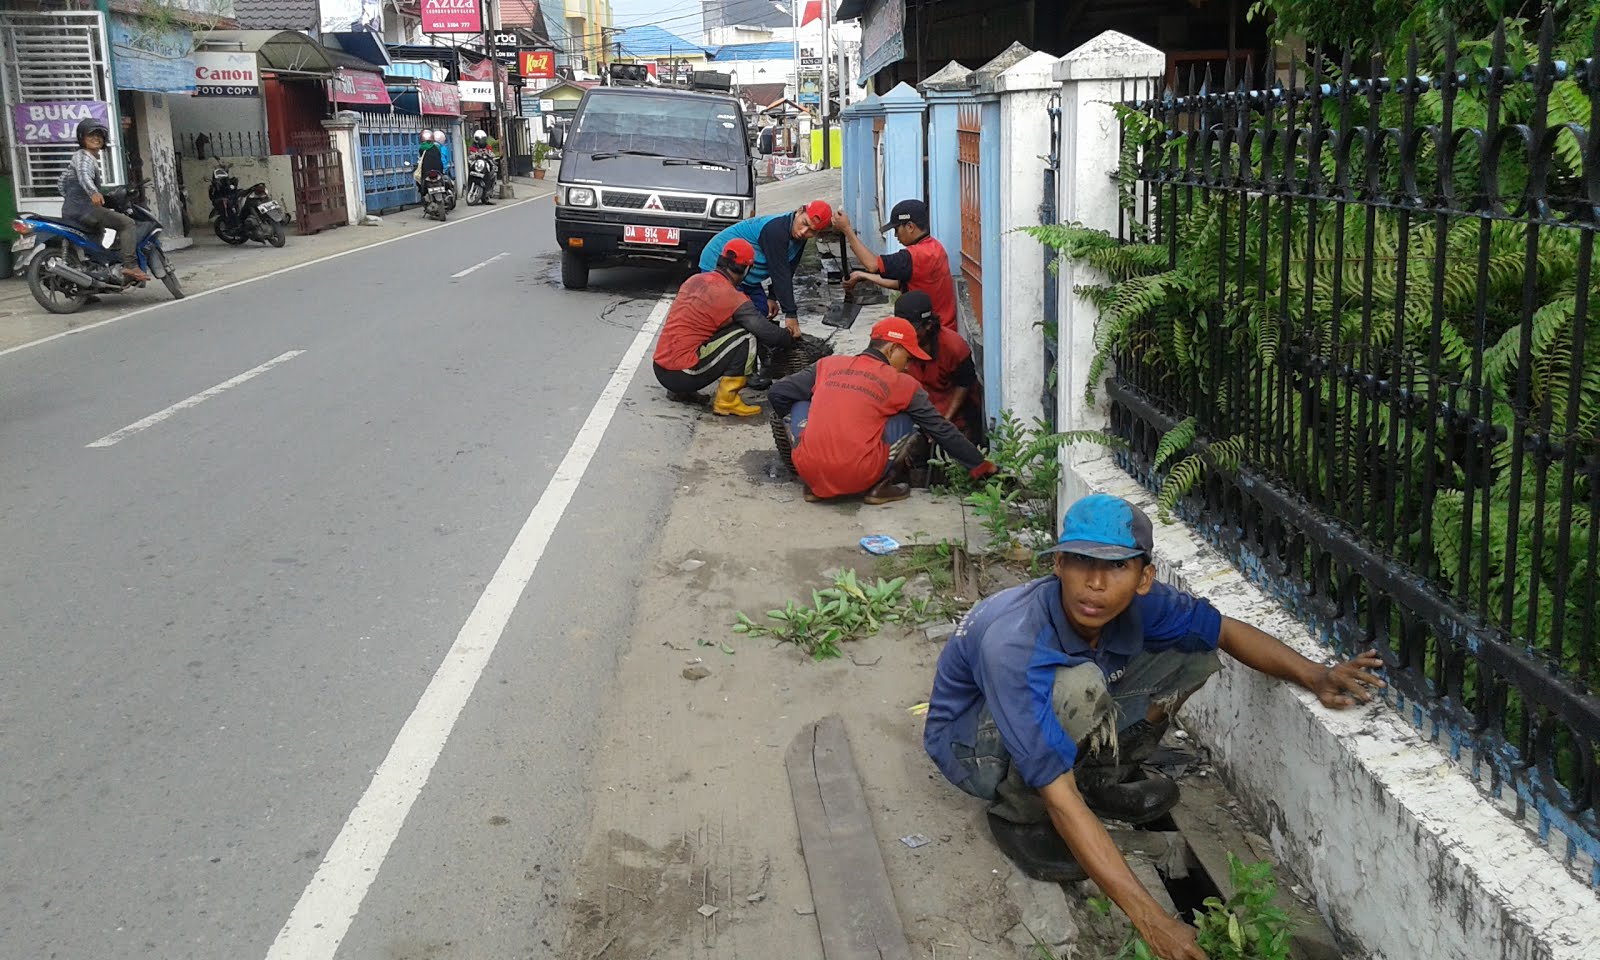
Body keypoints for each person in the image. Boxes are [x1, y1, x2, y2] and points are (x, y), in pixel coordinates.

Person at [923, 494, 1387, 960]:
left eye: (1117, 566)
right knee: (1078, 688)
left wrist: (1316, 675)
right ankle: (1018, 812)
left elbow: (1223, 631)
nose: (1096, 583)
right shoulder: (1016, 640)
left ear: (1144, 577)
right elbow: (1059, 793)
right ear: (1059, 563)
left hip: (1041, 702)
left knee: (1193, 653)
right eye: (1081, 562)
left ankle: (1102, 774)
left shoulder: (1145, 606)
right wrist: (1153, 921)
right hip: (971, 745)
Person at [769, 316, 997, 504]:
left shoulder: (827, 365)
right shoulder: (903, 384)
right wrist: (980, 465)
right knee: (908, 416)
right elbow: (940, 429)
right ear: (892, 349)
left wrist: (811, 431)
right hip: (860, 474)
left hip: (808, 469)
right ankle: (880, 487)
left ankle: (815, 485)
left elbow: (777, 393)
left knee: (802, 404)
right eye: (907, 358)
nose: (908, 367)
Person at [652, 238, 796, 416]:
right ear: (746, 269)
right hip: (682, 374)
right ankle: (727, 401)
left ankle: (680, 392)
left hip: (660, 368)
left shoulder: (694, 280)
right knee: (746, 335)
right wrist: (789, 336)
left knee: (705, 331)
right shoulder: (733, 297)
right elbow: (766, 333)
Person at [698, 200, 832, 340]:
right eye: (804, 223)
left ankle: (742, 339)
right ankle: (724, 343)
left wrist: (772, 297)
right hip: (721, 264)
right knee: (735, 313)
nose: (804, 232)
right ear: (799, 211)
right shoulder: (776, 230)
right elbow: (779, 272)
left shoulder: (799, 236)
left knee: (761, 310)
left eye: (812, 231)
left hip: (747, 274)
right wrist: (790, 314)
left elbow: (789, 268)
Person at [836, 199, 958, 333]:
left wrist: (847, 230)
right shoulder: (934, 247)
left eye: (896, 229)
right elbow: (901, 283)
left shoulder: (915, 256)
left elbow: (872, 265)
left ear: (910, 227)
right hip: (943, 328)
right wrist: (862, 275)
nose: (895, 235)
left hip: (931, 334)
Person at [58, 117, 150, 283]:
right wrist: (92, 192)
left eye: (99, 135)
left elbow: (62, 184)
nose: (96, 138)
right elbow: (83, 175)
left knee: (96, 239)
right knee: (127, 223)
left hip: (71, 211)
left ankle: (90, 282)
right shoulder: (84, 157)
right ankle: (130, 265)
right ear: (82, 138)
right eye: (91, 135)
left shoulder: (79, 158)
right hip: (85, 210)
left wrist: (79, 196)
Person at [895, 290, 983, 448]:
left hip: (957, 417)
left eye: (911, 330)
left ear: (928, 325)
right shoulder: (897, 346)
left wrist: (943, 424)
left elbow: (965, 385)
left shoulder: (953, 347)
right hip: (922, 415)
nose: (905, 335)